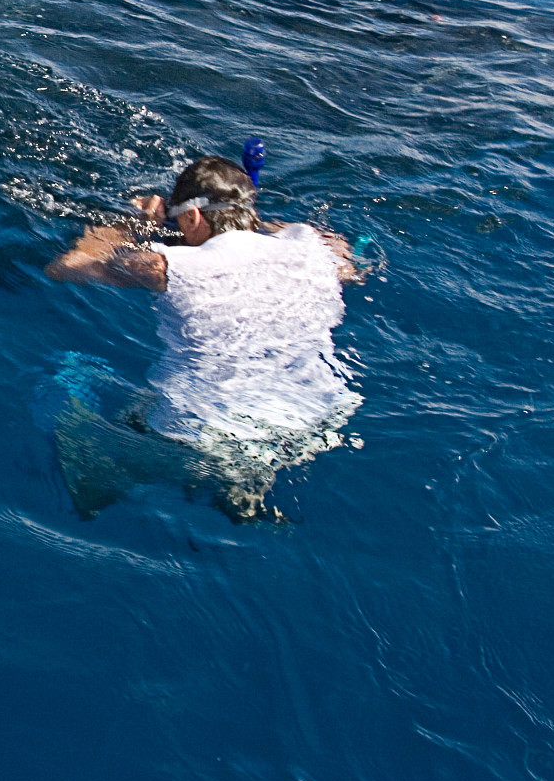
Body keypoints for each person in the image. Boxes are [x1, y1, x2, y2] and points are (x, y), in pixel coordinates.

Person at [45, 155, 363, 520]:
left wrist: (138, 224)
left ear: (193, 217)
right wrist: (246, 219)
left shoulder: (169, 266)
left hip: (206, 432)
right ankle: (243, 492)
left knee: (71, 403)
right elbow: (349, 264)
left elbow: (65, 267)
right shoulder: (314, 248)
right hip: (316, 419)